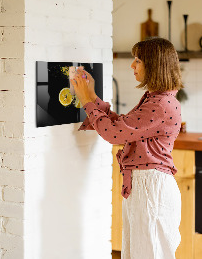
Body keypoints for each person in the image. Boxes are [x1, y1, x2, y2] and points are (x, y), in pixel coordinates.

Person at [71, 37, 183, 259]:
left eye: (138, 60)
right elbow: (122, 126)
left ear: (154, 65)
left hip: (151, 188)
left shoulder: (160, 104)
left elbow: (114, 134)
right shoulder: (156, 99)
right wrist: (92, 96)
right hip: (146, 186)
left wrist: (86, 100)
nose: (132, 65)